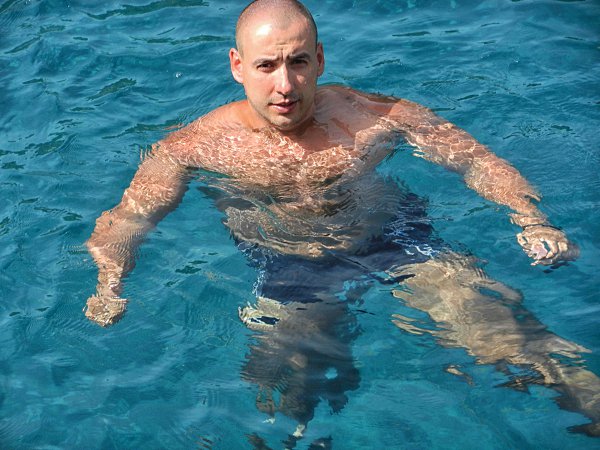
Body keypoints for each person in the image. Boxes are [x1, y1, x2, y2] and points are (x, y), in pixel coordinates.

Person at [85, 0, 597, 441]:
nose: (285, 84)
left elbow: (474, 160)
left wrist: (531, 219)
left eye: (298, 62)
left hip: (395, 240)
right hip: (288, 266)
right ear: (237, 66)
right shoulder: (196, 146)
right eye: (266, 66)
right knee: (281, 392)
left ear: (320, 59)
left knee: (511, 341)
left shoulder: (372, 115)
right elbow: (129, 218)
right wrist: (109, 282)